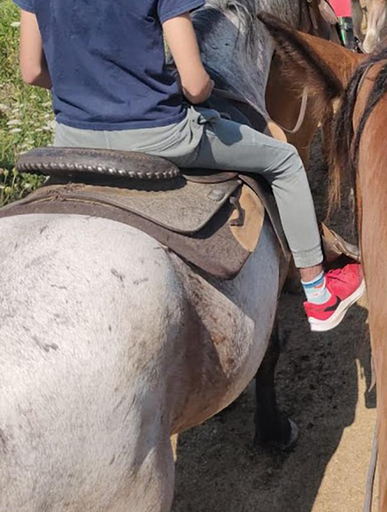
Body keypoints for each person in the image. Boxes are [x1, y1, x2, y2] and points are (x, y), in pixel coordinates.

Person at [13, 0, 365, 332]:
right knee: (284, 160)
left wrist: (92, 89)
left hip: (72, 137)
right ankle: (319, 293)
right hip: (157, 135)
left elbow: (31, 71)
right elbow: (195, 85)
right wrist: (188, 86)